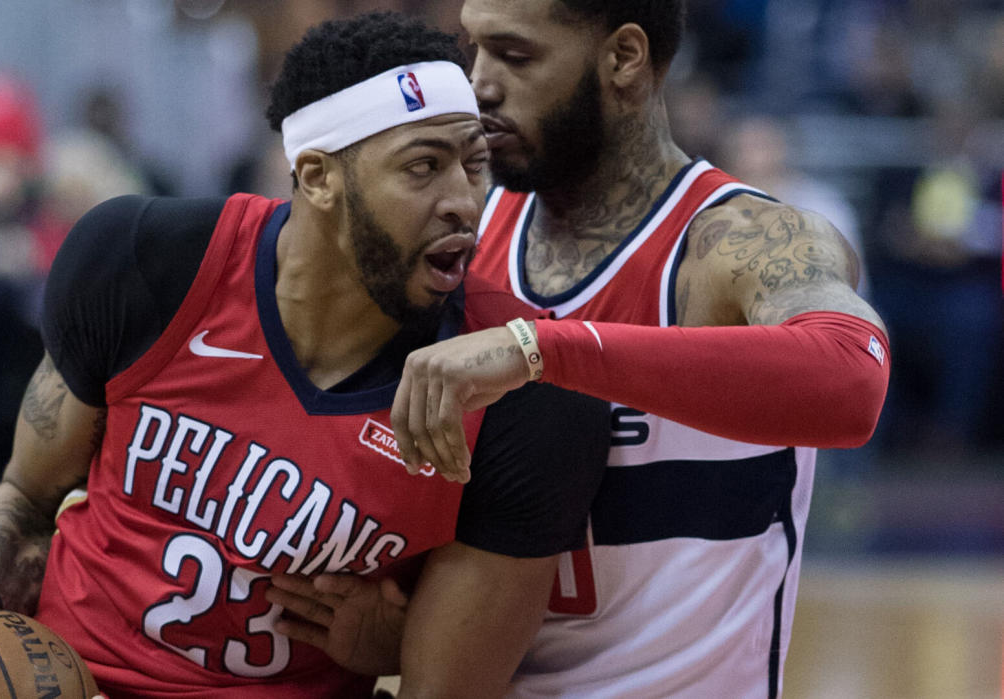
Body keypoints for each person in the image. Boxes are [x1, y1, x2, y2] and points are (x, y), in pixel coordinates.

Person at [0, 12, 609, 699]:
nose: (464, 201)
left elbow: (452, 688)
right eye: (422, 166)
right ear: (318, 177)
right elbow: (29, 496)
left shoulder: (519, 389)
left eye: (474, 163)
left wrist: (394, 645)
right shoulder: (149, 261)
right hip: (70, 674)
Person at [279, 2, 892, 697]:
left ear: (624, 58)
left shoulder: (739, 242)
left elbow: (853, 379)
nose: (477, 83)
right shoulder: (460, 245)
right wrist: (405, 631)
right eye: (473, 49)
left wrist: (541, 349)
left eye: (514, 56)